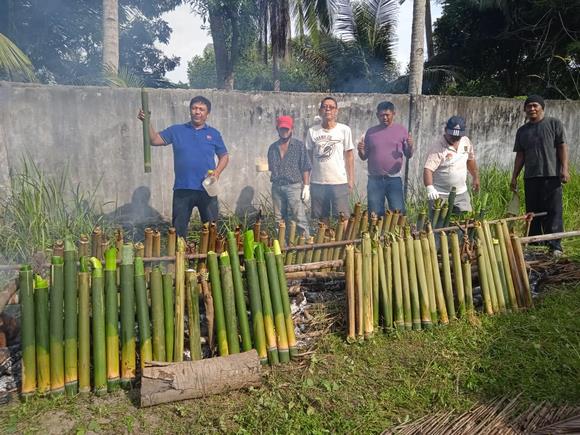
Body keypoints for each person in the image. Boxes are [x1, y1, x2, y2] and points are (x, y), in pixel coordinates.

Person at [138, 95, 229, 238]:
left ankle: (209, 257)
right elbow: (154, 140)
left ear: (207, 114)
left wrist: (217, 172)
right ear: (190, 111)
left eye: (201, 109)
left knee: (211, 228)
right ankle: (181, 258)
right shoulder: (177, 130)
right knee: (178, 230)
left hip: (207, 188)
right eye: (194, 108)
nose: (197, 112)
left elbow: (224, 156)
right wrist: (146, 122)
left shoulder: (214, 134)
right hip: (182, 188)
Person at [510, 95, 570, 255]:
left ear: (542, 107)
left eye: (535, 106)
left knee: (554, 211)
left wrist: (565, 169)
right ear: (525, 110)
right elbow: (520, 156)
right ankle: (536, 244)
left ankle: (555, 246)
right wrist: (514, 176)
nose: (532, 109)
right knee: (533, 212)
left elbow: (562, 147)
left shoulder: (553, 124)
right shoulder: (522, 131)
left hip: (551, 175)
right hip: (531, 177)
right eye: (528, 106)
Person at [357, 101, 414, 215]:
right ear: (377, 115)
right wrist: (360, 150)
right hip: (374, 180)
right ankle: (377, 233)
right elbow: (364, 157)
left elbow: (408, 154)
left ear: (394, 113)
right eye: (382, 115)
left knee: (398, 213)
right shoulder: (371, 132)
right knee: (375, 214)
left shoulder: (401, 130)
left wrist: (411, 145)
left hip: (394, 179)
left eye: (387, 115)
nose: (385, 118)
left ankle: (397, 233)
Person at [305, 96, 355, 221]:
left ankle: (344, 241)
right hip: (318, 182)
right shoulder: (312, 131)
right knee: (322, 218)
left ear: (336, 111)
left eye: (331, 107)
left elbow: (349, 156)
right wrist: (306, 183)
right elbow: (308, 158)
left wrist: (351, 180)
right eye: (324, 107)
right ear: (320, 111)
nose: (328, 110)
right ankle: (326, 240)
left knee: (343, 217)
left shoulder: (344, 130)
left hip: (339, 181)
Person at [267, 115, 312, 239]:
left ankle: (306, 243)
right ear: (277, 129)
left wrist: (306, 186)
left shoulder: (299, 146)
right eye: (282, 129)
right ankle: (282, 245)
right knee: (278, 218)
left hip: (293, 186)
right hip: (277, 186)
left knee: (299, 217)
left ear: (292, 129)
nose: (284, 131)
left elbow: (306, 167)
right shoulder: (272, 148)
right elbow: (271, 167)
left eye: (287, 129)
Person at [423, 116, 480, 213]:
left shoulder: (466, 142)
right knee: (438, 224)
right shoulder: (438, 147)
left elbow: (470, 160)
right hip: (440, 194)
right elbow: (428, 169)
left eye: (457, 137)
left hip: (461, 193)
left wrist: (475, 177)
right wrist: (430, 187)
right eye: (452, 136)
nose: (455, 139)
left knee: (465, 221)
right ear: (445, 130)